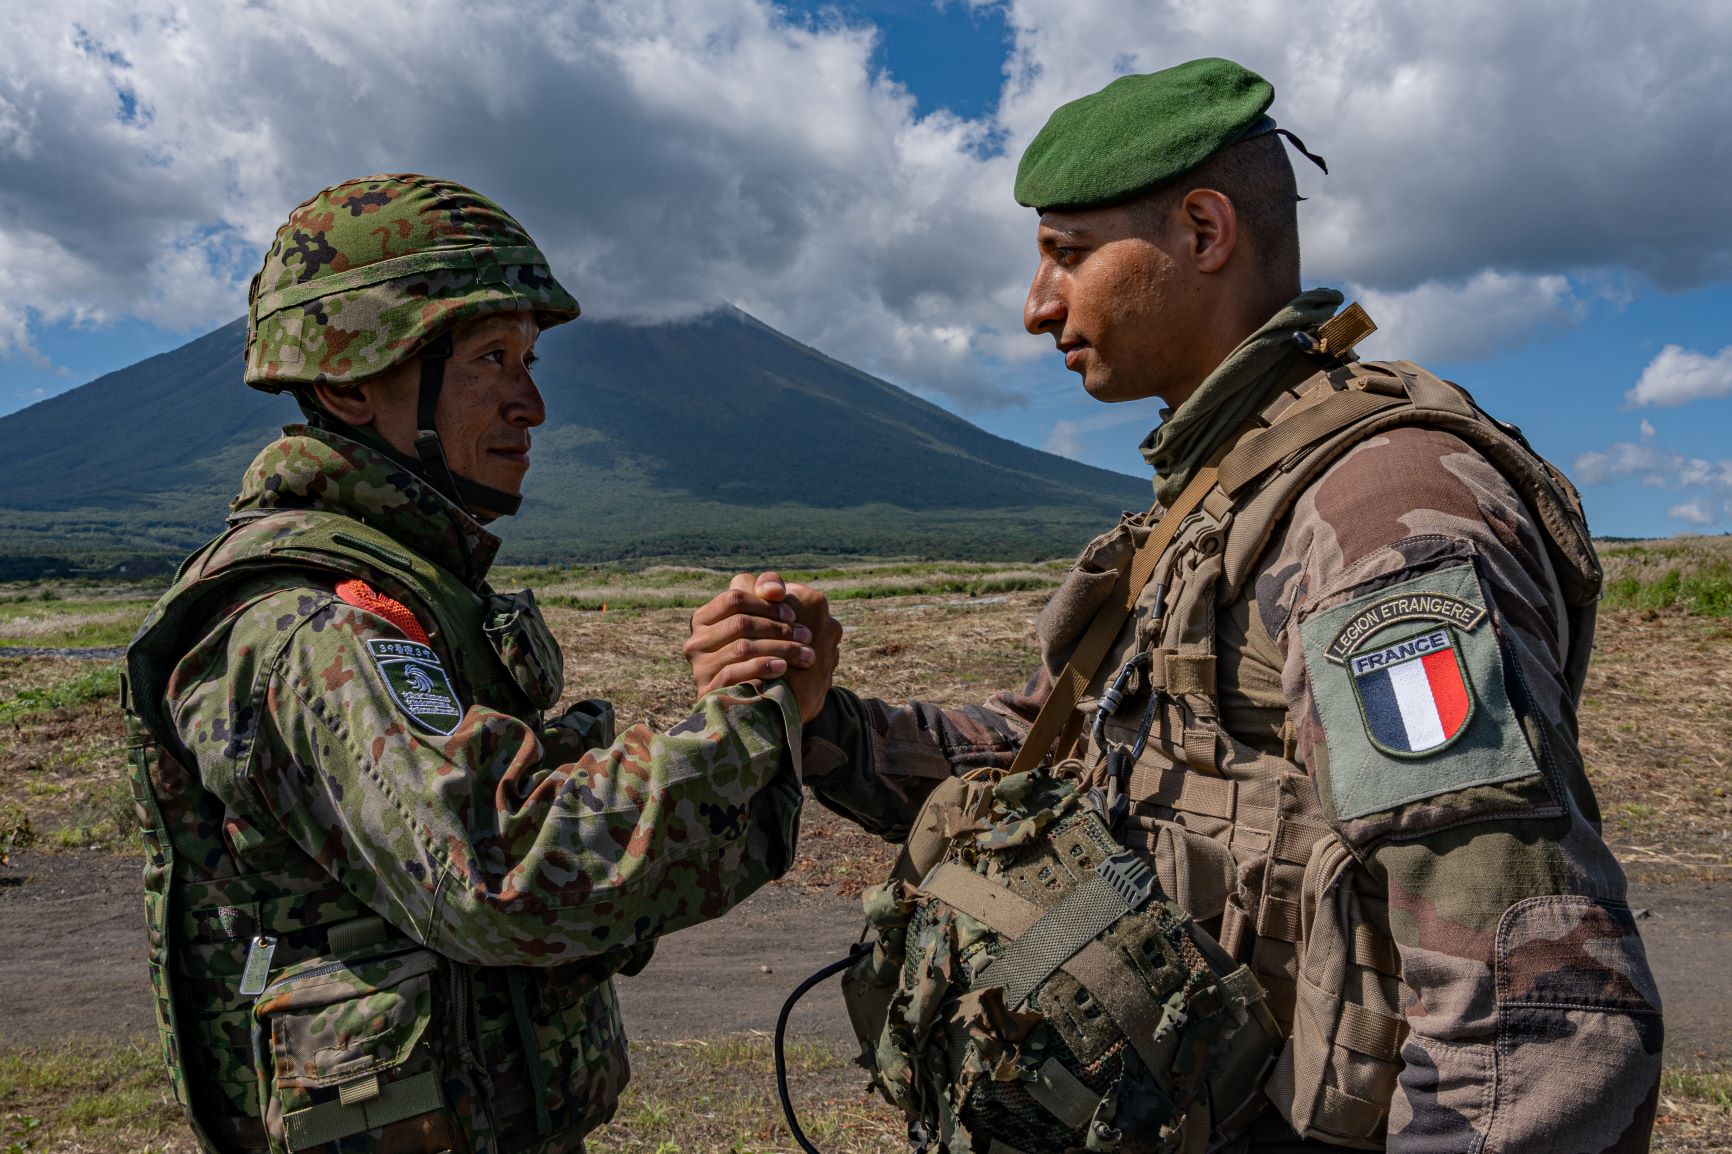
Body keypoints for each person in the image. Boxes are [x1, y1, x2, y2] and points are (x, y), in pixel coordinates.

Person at [688, 59, 1661, 1152]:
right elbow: (1067, 757)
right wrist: (829, 718)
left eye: (1065, 253)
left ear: (1203, 230)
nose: (1033, 305)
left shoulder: (1380, 517)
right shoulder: (1223, 497)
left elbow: (1525, 1002)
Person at [122, 173, 838, 1154]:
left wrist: (736, 713)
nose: (533, 403)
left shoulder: (415, 594)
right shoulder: (312, 629)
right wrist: (751, 721)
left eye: (530, 359)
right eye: (491, 359)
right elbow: (498, 870)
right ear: (347, 382)